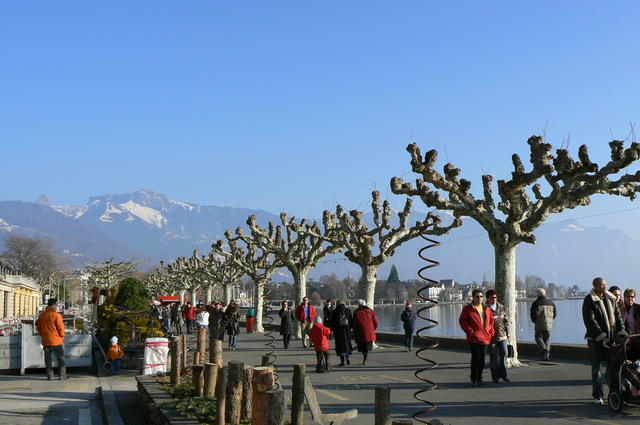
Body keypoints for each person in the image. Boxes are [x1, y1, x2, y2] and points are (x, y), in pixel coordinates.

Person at [582, 277, 627, 404]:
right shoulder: (589, 299)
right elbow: (590, 321)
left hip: (611, 338)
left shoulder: (611, 298)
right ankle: (598, 395)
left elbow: (617, 317)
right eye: (602, 285)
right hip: (595, 339)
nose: (605, 287)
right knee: (596, 369)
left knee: (613, 367)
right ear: (595, 286)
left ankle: (615, 393)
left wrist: (621, 331)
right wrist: (601, 335)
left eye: (606, 284)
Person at [459, 289, 494, 387]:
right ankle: (473, 378)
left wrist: (491, 332)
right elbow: (462, 321)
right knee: (476, 357)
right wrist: (470, 331)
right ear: (473, 298)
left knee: (482, 359)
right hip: (473, 338)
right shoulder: (467, 309)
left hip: (485, 337)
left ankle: (479, 378)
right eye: (477, 296)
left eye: (481, 296)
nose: (479, 298)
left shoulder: (486, 309)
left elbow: (491, 322)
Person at [36, 298, 66, 380]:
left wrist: (43, 334)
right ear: (54, 304)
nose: (57, 306)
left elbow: (38, 327)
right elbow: (60, 328)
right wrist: (62, 336)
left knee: (47, 359)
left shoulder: (42, 315)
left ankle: (49, 375)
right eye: (56, 304)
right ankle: (62, 375)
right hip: (56, 340)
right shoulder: (56, 315)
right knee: (61, 358)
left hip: (46, 340)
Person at [486, 290, 510, 383]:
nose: (494, 299)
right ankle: (495, 377)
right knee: (493, 357)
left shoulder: (501, 307)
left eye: (495, 297)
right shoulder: (485, 309)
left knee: (504, 354)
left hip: (503, 336)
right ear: (488, 298)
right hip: (492, 337)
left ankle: (504, 375)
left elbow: (506, 321)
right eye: (492, 297)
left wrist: (508, 334)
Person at [530, 288, 557, 361]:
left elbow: (533, 315)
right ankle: (546, 356)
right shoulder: (551, 302)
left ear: (538, 294)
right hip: (549, 325)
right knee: (547, 339)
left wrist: (534, 321)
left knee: (538, 337)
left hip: (539, 324)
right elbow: (555, 314)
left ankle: (544, 350)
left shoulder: (536, 303)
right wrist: (550, 320)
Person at [352, 299, 378, 365]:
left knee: (362, 346)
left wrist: (354, 330)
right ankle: (365, 356)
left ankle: (365, 356)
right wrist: (373, 328)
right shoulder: (371, 311)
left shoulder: (356, 312)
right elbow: (376, 322)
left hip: (360, 332)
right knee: (367, 346)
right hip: (369, 332)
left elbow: (354, 323)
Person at [330, 300, 353, 366]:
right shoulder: (347, 310)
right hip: (346, 330)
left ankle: (342, 361)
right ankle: (347, 358)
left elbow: (332, 323)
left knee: (340, 345)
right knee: (347, 344)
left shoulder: (334, 312)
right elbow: (351, 320)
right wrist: (350, 328)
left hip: (338, 331)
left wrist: (333, 330)